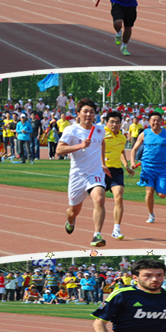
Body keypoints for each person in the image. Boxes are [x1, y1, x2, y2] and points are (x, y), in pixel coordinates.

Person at [56, 98, 110, 248]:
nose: (88, 115)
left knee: (99, 199)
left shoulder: (100, 129)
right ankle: (70, 220)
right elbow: (59, 150)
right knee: (73, 211)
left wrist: (103, 163)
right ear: (78, 113)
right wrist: (80, 146)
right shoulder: (71, 130)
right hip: (78, 175)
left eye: (91, 112)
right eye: (85, 111)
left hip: (95, 173)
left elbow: (102, 142)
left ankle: (97, 235)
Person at [131, 111, 166, 224]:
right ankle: (151, 214)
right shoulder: (145, 134)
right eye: (153, 120)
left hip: (162, 168)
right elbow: (134, 149)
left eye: (158, 120)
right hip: (147, 168)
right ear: (149, 122)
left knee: (162, 195)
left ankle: (156, 186)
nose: (156, 122)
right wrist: (132, 162)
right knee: (149, 192)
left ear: (161, 122)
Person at [103, 111, 135, 241]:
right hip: (101, 170)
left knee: (119, 197)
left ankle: (116, 229)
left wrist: (126, 166)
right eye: (112, 122)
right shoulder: (101, 135)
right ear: (106, 123)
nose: (114, 125)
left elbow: (122, 152)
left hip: (116, 171)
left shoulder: (122, 138)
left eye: (117, 122)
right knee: (99, 200)